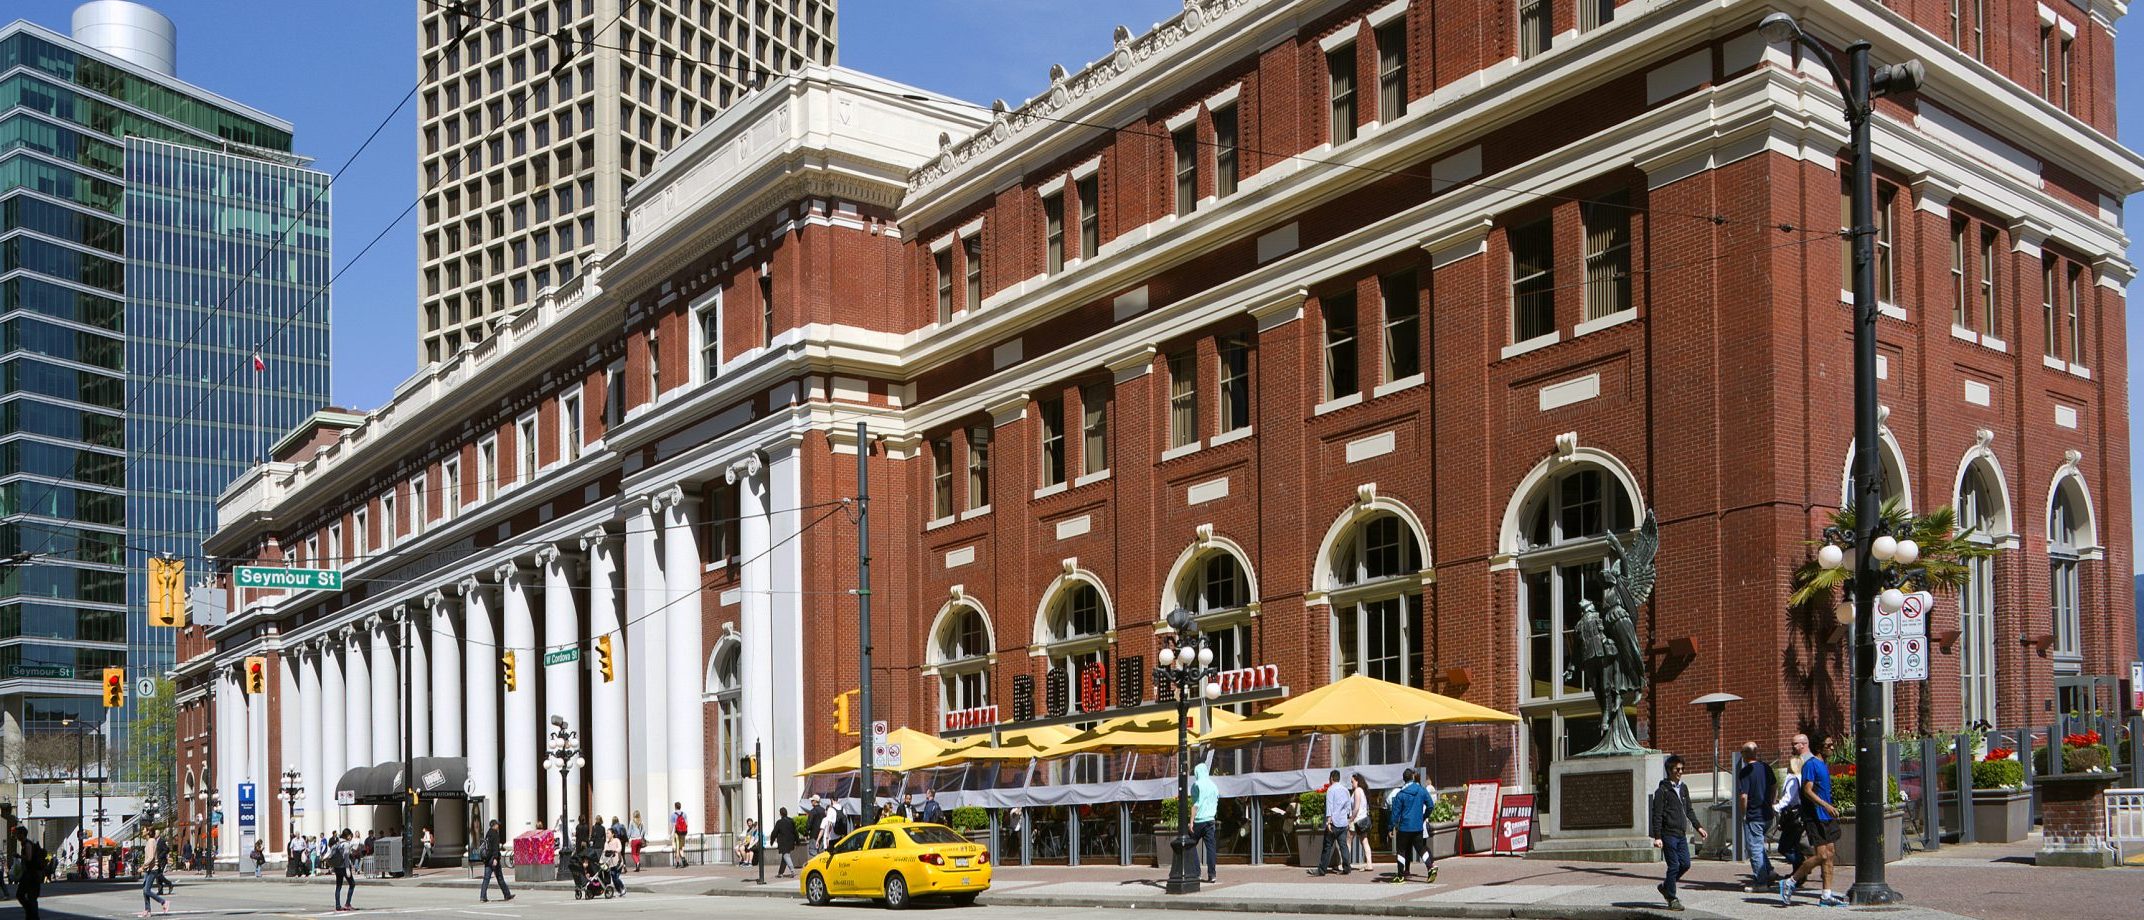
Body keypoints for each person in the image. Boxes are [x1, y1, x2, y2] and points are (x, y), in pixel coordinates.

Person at [1781, 734, 1842, 907]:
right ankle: (1791, 881)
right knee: (1821, 855)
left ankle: (1826, 895)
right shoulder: (1810, 764)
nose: (1831, 748)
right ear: (1819, 747)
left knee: (1829, 855)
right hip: (1814, 816)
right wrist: (1825, 805)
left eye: (1832, 745)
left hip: (1826, 816)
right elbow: (1807, 790)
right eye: (1828, 745)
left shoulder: (1823, 764)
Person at [1649, 753, 1707, 912]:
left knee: (1685, 864)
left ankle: (1666, 886)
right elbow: (1657, 815)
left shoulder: (1683, 788)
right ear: (1670, 770)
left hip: (1681, 834)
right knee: (1673, 865)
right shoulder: (1662, 791)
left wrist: (1699, 827)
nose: (1680, 772)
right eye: (1677, 769)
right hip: (1668, 834)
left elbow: (1689, 810)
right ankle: (1672, 898)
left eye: (1682, 769)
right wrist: (1658, 837)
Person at [1736, 740, 1777, 890]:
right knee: (1759, 846)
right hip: (1767, 814)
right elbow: (1774, 786)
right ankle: (1769, 872)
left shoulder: (1745, 771)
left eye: (1742, 752)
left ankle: (1761, 882)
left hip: (1754, 815)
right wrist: (1772, 803)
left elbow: (1743, 796)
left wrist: (1744, 813)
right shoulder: (1766, 767)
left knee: (1754, 849)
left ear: (1746, 754)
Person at [1386, 768, 1433, 884]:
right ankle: (1430, 867)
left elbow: (1395, 813)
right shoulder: (1421, 790)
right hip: (1417, 826)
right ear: (1412, 777)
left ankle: (1400, 876)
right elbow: (1430, 805)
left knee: (1401, 850)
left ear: (1404, 779)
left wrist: (1391, 827)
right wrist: (1423, 817)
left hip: (1404, 827)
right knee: (1421, 848)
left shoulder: (1401, 794)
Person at [1311, 769, 1354, 876]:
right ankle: (1347, 868)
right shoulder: (1345, 790)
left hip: (1334, 823)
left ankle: (1322, 870)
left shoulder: (1331, 790)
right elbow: (1349, 807)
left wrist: (1328, 822)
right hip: (1343, 823)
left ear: (1331, 778)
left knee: (1327, 847)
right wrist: (1348, 820)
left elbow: (1329, 807)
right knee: (1343, 846)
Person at [1772, 746, 1805, 877]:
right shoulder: (1802, 777)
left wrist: (1776, 807)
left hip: (1792, 815)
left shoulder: (1792, 779)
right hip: (1799, 814)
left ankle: (1802, 865)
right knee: (1794, 845)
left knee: (1784, 847)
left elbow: (1788, 798)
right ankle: (1798, 874)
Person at [1190, 761, 1220, 883]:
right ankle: (1212, 875)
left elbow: (1195, 805)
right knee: (1211, 848)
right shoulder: (1214, 786)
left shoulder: (1196, 785)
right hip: (1210, 820)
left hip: (1199, 820)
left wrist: (1191, 821)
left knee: (1190, 844)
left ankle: (1196, 872)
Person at [478, 819, 513, 903]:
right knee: (500, 877)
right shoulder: (495, 834)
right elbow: (495, 848)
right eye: (497, 825)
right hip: (493, 859)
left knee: (486, 878)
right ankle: (507, 894)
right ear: (494, 825)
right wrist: (495, 858)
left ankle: (482, 897)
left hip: (487, 859)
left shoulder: (488, 833)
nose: (498, 826)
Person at [14, 826, 45, 920]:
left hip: (32, 874)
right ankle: (31, 914)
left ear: (22, 834)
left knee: (28, 896)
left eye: (18, 834)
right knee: (27, 896)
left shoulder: (27, 844)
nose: (16, 836)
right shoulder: (25, 844)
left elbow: (29, 858)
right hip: (30, 874)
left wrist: (19, 856)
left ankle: (32, 916)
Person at [139, 833, 170, 917]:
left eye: (144, 830)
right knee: (144, 890)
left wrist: (143, 866)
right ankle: (147, 910)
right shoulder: (148, 841)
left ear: (148, 832)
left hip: (153, 869)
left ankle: (163, 902)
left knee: (147, 890)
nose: (142, 831)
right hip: (148, 868)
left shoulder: (152, 841)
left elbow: (151, 857)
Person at [329, 830, 358, 912]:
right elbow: (346, 857)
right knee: (352, 884)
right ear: (347, 835)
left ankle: (338, 905)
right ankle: (347, 904)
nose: (350, 837)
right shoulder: (346, 845)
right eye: (350, 835)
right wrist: (347, 868)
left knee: (338, 886)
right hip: (344, 867)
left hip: (337, 867)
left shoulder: (337, 843)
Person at [1349, 773, 1373, 870]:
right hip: (1363, 819)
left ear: (1357, 781)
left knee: (1348, 841)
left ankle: (1345, 863)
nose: (1351, 784)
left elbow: (1356, 807)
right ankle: (1369, 863)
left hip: (1356, 819)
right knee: (1365, 841)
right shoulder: (1363, 791)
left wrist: (1351, 818)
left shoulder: (1358, 791)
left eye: (1352, 782)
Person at [770, 808, 800, 878]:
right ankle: (780, 873)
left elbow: (774, 832)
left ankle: (792, 871)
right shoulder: (791, 821)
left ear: (780, 814)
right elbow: (795, 832)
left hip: (783, 842)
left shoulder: (779, 822)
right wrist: (797, 841)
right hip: (790, 842)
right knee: (785, 857)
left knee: (786, 856)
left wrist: (772, 841)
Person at [668, 802, 689, 867]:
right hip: (683, 833)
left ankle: (677, 862)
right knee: (681, 848)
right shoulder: (684, 814)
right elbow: (686, 824)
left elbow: (672, 825)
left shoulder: (673, 815)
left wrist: (669, 833)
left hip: (677, 833)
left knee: (676, 848)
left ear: (675, 807)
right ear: (680, 806)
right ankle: (683, 858)